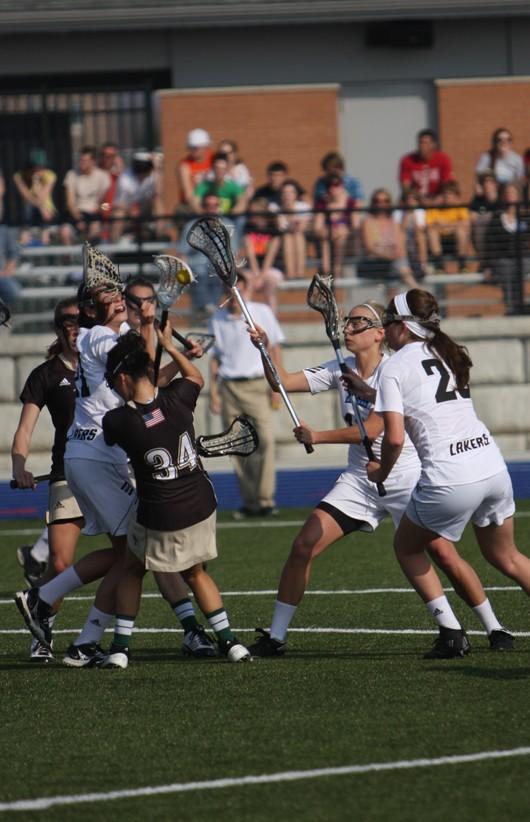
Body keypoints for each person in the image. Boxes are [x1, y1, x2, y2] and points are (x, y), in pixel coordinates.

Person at [247, 301, 512, 657]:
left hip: (405, 476)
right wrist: (264, 348)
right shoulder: (338, 369)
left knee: (443, 554)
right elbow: (280, 383)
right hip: (360, 480)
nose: (348, 328)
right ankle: (276, 637)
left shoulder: (392, 369)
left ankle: (492, 627)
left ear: (379, 333)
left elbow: (375, 429)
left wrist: (318, 437)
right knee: (303, 545)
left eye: (358, 322)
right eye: (348, 321)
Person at [15, 249, 215, 665]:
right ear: (89, 308)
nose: (117, 296)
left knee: (132, 554)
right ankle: (46, 600)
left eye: (116, 290)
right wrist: (155, 328)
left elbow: (147, 378)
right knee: (133, 553)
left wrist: (171, 343)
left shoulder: (112, 332)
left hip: (98, 455)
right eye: (107, 294)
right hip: (95, 457)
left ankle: (83, 640)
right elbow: (142, 361)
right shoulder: (97, 337)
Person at [367, 288, 530, 658]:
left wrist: (380, 473)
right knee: (508, 558)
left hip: (450, 476)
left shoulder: (393, 366)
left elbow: (393, 440)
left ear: (403, 327)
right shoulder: (446, 350)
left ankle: (452, 635)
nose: (385, 331)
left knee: (407, 547)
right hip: (491, 464)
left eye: (388, 323)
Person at [99, 329, 251, 668]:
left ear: (123, 377)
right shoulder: (178, 398)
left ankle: (121, 648)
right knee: (196, 572)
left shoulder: (119, 420)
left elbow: (111, 437)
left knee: (132, 568)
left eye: (113, 381)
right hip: (201, 504)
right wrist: (170, 346)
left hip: (161, 513)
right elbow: (194, 375)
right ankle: (231, 642)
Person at [11, 298, 86, 661]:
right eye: (67, 323)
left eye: (79, 321)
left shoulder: (106, 364)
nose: (74, 327)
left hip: (112, 473)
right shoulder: (45, 374)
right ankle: (43, 626)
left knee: (134, 556)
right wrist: (19, 466)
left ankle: (191, 629)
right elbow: (25, 429)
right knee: (59, 564)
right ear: (58, 329)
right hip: (66, 473)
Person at [209, 272, 285, 518]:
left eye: (239, 289)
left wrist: (276, 386)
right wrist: (213, 394)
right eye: (230, 290)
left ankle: (265, 499)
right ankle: (250, 501)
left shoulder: (261, 312)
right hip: (229, 387)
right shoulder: (217, 318)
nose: (234, 295)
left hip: (256, 384)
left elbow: (274, 348)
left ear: (247, 289)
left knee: (266, 440)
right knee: (237, 447)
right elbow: (215, 358)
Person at [484, 182, 530, 314]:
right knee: (507, 268)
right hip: (503, 259)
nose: (510, 196)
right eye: (508, 193)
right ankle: (511, 308)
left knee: (521, 266)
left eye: (513, 193)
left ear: (518, 196)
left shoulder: (526, 217)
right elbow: (491, 243)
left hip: (524, 258)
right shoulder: (497, 218)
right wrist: (488, 265)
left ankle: (520, 305)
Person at [358, 189, 418, 287]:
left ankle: (399, 296)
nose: (381, 204)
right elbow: (370, 248)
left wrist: (390, 252)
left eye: (385, 201)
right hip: (375, 262)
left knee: (396, 267)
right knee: (399, 265)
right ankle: (416, 289)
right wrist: (389, 253)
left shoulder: (394, 221)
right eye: (377, 201)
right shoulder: (368, 221)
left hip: (393, 262)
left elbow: (400, 246)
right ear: (373, 203)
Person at [241, 197, 283, 314]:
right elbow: (250, 254)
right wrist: (255, 274)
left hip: (271, 268)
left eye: (255, 213)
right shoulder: (248, 227)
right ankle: (246, 317)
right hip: (252, 268)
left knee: (270, 283)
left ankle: (272, 317)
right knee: (245, 282)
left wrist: (261, 276)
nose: (252, 216)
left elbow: (270, 256)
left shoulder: (273, 230)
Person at [61, 146, 111, 243]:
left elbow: (107, 204)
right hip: (76, 214)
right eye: (80, 160)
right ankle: (69, 258)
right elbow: (70, 202)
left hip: (95, 215)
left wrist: (100, 209)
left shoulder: (103, 177)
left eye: (85, 160)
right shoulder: (71, 174)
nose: (81, 163)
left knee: (95, 230)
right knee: (65, 232)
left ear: (93, 161)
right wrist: (79, 218)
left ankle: (90, 257)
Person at [313, 174, 358, 277]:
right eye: (330, 186)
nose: (333, 189)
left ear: (342, 186)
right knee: (326, 237)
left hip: (346, 240)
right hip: (328, 237)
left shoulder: (350, 202)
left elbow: (355, 226)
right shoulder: (322, 203)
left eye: (336, 185)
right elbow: (317, 227)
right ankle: (326, 270)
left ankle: (337, 268)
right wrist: (328, 231)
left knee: (341, 234)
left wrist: (344, 230)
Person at [425, 181, 472, 273]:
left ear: (456, 196)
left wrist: (445, 225)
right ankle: (439, 266)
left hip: (455, 243)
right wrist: (453, 225)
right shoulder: (434, 208)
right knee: (432, 232)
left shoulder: (460, 207)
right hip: (439, 243)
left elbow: (466, 224)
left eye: (450, 194)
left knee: (461, 231)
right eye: (445, 194)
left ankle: (462, 265)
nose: (447, 197)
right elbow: (429, 225)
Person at [399, 129, 453, 205]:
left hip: (438, 200)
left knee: (451, 198)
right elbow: (406, 186)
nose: (422, 146)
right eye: (420, 143)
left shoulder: (443, 159)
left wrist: (437, 200)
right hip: (416, 200)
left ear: (433, 145)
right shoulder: (408, 160)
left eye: (426, 143)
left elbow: (447, 185)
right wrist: (421, 199)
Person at [13, 155, 57, 245]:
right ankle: (26, 235)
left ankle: (45, 237)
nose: (42, 170)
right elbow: (26, 197)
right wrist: (35, 181)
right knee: (28, 207)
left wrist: (36, 182)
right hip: (28, 212)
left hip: (46, 211)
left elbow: (42, 197)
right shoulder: (19, 176)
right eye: (39, 168)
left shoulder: (50, 175)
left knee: (45, 212)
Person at [273, 180, 311, 279]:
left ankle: (299, 272)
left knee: (297, 235)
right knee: (287, 237)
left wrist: (291, 216)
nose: (288, 195)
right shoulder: (276, 208)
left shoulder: (303, 206)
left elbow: (301, 227)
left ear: (296, 194)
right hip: (284, 238)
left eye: (291, 192)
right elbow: (281, 228)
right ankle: (290, 273)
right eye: (285, 192)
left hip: (301, 236)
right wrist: (289, 213)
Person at [192, 151, 247, 217]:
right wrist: (202, 213)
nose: (219, 171)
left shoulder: (233, 187)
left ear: (227, 169)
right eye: (217, 168)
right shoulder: (204, 186)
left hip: (228, 220)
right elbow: (195, 203)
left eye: (222, 169)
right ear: (213, 168)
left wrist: (231, 214)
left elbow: (242, 203)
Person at [176, 128, 213, 210]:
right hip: (192, 204)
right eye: (191, 147)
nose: (193, 151)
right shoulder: (184, 165)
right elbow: (188, 195)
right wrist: (200, 212)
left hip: (213, 202)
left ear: (205, 146)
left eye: (196, 148)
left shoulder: (213, 159)